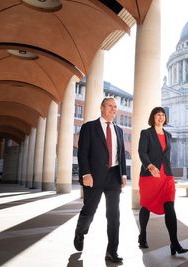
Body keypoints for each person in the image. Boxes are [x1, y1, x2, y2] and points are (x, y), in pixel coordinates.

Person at [73, 97, 127, 264]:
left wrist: (123, 174)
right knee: (89, 210)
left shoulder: (119, 130)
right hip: (94, 177)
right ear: (102, 108)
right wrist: (86, 173)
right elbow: (82, 153)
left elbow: (122, 154)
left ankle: (112, 251)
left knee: (114, 216)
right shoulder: (89, 127)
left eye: (115, 107)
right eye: (110, 106)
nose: (113, 109)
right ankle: (80, 232)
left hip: (113, 177)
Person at [137, 107, 188, 255]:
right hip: (150, 176)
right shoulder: (146, 133)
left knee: (170, 207)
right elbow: (142, 152)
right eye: (157, 115)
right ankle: (142, 235)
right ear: (153, 117)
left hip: (166, 176)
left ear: (165, 118)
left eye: (163, 115)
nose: (160, 117)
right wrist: (149, 165)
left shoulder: (168, 135)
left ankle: (175, 243)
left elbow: (166, 156)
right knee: (146, 206)